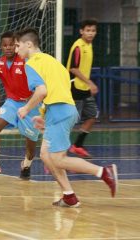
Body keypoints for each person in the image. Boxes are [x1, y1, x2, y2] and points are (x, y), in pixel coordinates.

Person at [15, 28, 117, 207]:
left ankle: (104, 172)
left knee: (58, 159)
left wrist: (26, 108)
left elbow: (42, 91)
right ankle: (69, 196)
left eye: (17, 45)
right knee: (46, 156)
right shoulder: (53, 61)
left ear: (28, 44)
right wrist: (44, 117)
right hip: (62, 110)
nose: (16, 50)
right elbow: (56, 90)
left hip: (60, 112)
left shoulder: (31, 64)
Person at [0, 31, 40, 180]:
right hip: (12, 103)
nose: (8, 48)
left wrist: (32, 102)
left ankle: (26, 165)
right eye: (5, 45)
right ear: (1, 47)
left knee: (30, 144)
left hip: (30, 104)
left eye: (11, 45)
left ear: (17, 45)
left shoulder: (26, 61)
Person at [66, 19, 98, 158]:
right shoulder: (78, 46)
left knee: (92, 116)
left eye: (93, 31)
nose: (90, 33)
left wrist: (88, 84)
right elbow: (73, 68)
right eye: (88, 30)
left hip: (84, 88)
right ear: (81, 31)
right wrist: (90, 82)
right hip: (75, 87)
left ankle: (77, 145)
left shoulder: (89, 45)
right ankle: (55, 149)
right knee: (71, 120)